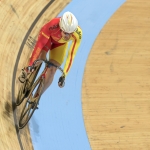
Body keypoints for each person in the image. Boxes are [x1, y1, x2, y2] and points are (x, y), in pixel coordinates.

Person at [19, 11, 82, 95]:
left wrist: (64, 75)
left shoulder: (78, 34)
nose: (67, 36)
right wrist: (31, 64)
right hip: (48, 38)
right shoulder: (51, 25)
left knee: (52, 70)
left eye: (70, 34)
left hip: (60, 44)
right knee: (40, 58)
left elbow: (71, 55)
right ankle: (26, 71)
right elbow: (39, 45)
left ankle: (37, 96)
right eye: (65, 33)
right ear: (61, 28)